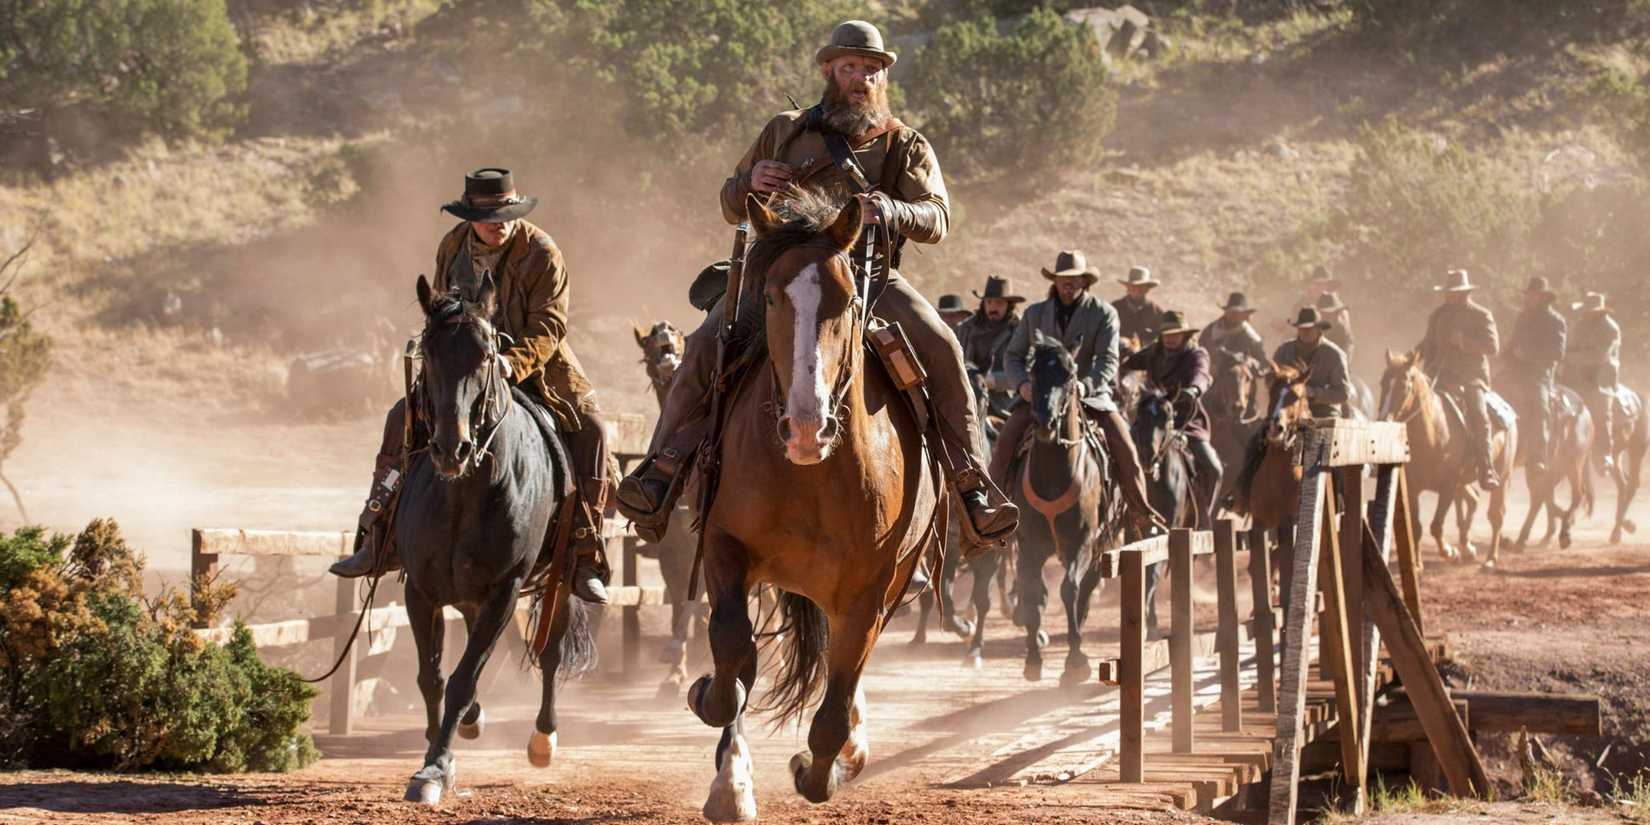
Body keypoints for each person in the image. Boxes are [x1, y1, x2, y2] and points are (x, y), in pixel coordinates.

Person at [615, 20, 1018, 546]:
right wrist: (749, 182)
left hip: (867, 279)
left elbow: (938, 219)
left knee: (941, 345)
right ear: (828, 70)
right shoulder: (783, 129)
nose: (861, 78)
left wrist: (891, 208)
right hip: (777, 278)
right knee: (704, 343)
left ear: (883, 77)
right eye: (850, 67)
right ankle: (660, 472)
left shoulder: (905, 144)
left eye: (871, 69)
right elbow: (730, 201)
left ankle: (971, 485)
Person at [329, 168, 612, 604]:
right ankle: (378, 536)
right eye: (488, 216)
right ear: (470, 217)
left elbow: (550, 325)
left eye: (505, 214)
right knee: (400, 418)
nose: (498, 223)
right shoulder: (453, 245)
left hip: (534, 364)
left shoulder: (542, 252)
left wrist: (508, 363)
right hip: (463, 362)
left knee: (592, 428)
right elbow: (442, 308)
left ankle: (584, 549)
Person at [990, 251, 1163, 530]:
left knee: (1125, 446)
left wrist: (1085, 386)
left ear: (1085, 281)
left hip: (1090, 396)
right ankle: (990, 511)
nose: (1068, 284)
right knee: (1005, 442)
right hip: (1040, 395)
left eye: (1074, 279)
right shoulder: (1035, 314)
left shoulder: (1104, 313)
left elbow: (1108, 360)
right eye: (1063, 279)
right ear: (1055, 281)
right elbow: (1013, 356)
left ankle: (1138, 510)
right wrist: (1022, 384)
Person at [1120, 310, 1221, 526]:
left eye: (1176, 334)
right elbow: (1128, 362)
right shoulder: (1154, 352)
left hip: (1186, 422)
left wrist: (1193, 390)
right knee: (1118, 452)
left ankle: (1204, 522)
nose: (1171, 338)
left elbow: (1201, 375)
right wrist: (1120, 355)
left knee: (1213, 468)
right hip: (1152, 419)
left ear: (1185, 335)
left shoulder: (1197, 354)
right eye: (1167, 334)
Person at [1416, 269, 1503, 490]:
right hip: (1440, 375)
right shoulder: (1437, 315)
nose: (1449, 296)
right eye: (1448, 292)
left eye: (1453, 292)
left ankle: (1486, 469)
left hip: (1471, 378)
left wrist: (1464, 342)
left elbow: (1492, 347)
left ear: (1465, 293)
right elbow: (1428, 343)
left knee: (1479, 416)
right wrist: (1411, 357)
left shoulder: (1481, 315)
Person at [1502, 277, 1567, 475]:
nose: (1528, 298)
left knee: (1540, 406)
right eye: (1528, 294)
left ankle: (1537, 455)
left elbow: (1557, 353)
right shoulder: (1522, 318)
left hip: (1540, 375)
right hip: (1515, 372)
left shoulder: (1555, 321)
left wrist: (1527, 355)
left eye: (1533, 295)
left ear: (1542, 297)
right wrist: (1506, 354)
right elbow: (1513, 343)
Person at [1566, 291, 1622, 472]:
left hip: (1602, 378)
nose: (1585, 314)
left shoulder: (1610, 328)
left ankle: (1605, 453)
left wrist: (1572, 357)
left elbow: (1599, 357)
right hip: (1576, 376)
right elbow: (1569, 347)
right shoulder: (1579, 326)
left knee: (1600, 411)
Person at [955, 274, 1024, 420]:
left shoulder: (1020, 331)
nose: (993, 307)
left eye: (999, 303)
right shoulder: (966, 328)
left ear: (1009, 305)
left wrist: (992, 381)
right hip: (966, 401)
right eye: (989, 302)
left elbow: (1026, 371)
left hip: (1004, 406)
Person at [1272, 306, 1353, 417]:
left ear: (1319, 329)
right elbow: (1271, 380)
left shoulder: (1334, 355)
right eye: (1301, 328)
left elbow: (1343, 394)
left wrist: (1313, 393)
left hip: (1323, 412)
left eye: (1310, 328)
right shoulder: (1284, 351)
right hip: (1288, 410)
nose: (1305, 331)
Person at [1198, 291, 1267, 367]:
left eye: (1237, 313)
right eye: (1232, 312)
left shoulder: (1251, 337)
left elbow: (1261, 361)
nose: (1234, 316)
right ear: (1226, 312)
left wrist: (1247, 362)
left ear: (1243, 315)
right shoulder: (1212, 329)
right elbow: (1201, 347)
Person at [1113, 266, 1163, 349]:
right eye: (1133, 287)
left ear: (1147, 289)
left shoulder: (1156, 311)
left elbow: (1163, 336)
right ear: (1128, 288)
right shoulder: (1115, 308)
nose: (1136, 290)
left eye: (1141, 287)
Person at [1316, 291, 1355, 363]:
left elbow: (1347, 353)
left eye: (1335, 313)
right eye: (1327, 314)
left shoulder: (1343, 331)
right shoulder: (1312, 329)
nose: (1333, 317)